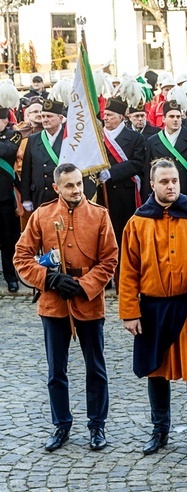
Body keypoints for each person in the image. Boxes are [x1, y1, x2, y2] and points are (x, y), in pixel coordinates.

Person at [119, 159, 187, 456]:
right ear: (152, 184)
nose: (170, 186)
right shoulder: (138, 222)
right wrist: (129, 311)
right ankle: (160, 430)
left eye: (174, 181)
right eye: (164, 181)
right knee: (155, 370)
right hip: (152, 309)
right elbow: (128, 270)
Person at [14, 163, 118, 451]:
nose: (76, 190)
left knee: (95, 368)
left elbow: (110, 259)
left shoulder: (99, 216)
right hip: (53, 304)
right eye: (69, 185)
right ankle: (61, 425)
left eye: (79, 184)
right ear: (57, 187)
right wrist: (48, 278)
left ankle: (97, 425)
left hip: (89, 303)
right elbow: (21, 257)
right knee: (56, 370)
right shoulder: (42, 215)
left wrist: (85, 285)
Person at [97, 97, 146, 255]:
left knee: (123, 235)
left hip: (125, 195)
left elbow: (137, 163)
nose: (105, 118)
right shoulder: (98, 137)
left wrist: (111, 173)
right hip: (102, 194)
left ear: (121, 117)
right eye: (105, 114)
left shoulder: (135, 138)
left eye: (110, 115)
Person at [142, 99, 187, 205]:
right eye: (171, 116)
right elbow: (148, 173)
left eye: (178, 116)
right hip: (163, 197)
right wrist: (147, 200)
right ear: (163, 119)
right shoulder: (152, 141)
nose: (176, 119)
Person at [20, 99, 67, 211]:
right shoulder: (33, 139)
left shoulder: (68, 139)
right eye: (43, 116)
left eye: (49, 116)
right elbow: (26, 170)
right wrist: (26, 197)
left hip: (63, 195)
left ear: (60, 118)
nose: (45, 120)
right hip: (40, 195)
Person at [0, 107, 22, 292]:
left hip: (5, 197)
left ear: (5, 122)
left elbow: (7, 151)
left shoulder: (14, 135)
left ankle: (11, 276)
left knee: (9, 240)